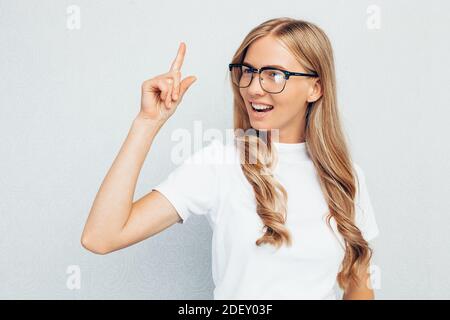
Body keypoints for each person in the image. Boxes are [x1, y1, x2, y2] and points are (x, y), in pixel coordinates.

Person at [81, 17, 379, 300]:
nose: (253, 88)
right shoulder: (220, 164)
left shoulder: (345, 177)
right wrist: (147, 122)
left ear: (315, 87)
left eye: (274, 75)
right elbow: (101, 237)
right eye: (247, 72)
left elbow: (359, 286)